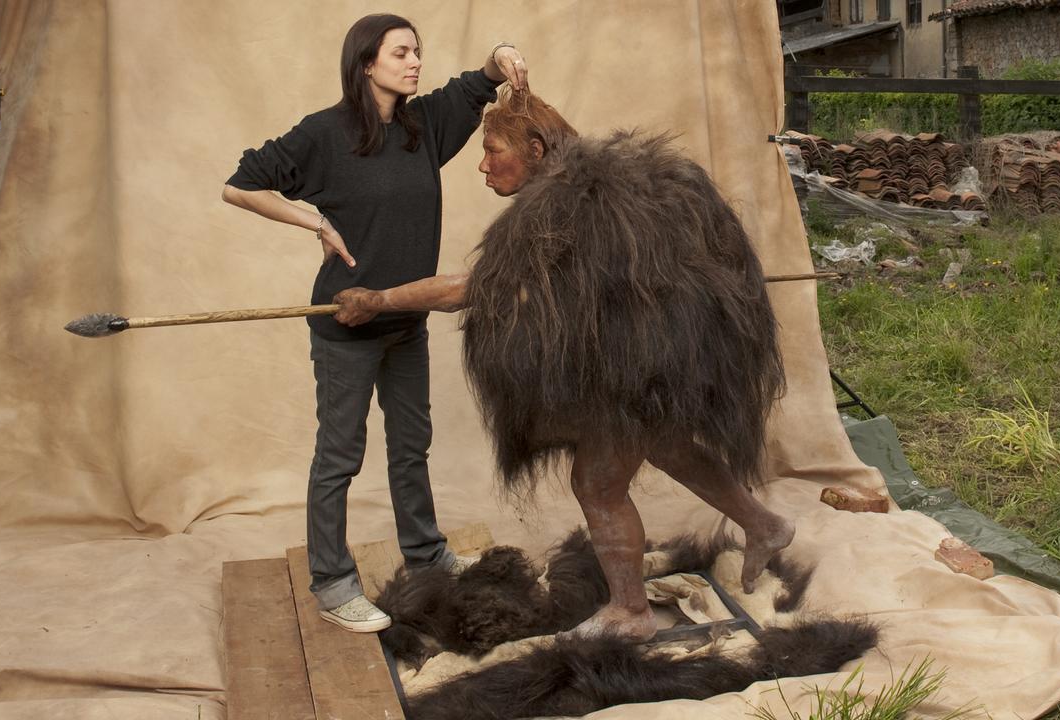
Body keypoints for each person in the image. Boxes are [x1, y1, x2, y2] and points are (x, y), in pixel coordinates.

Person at [333, 91, 794, 642]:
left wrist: (380, 300)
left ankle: (631, 613)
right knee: (667, 442)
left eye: (493, 149)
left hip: (646, 365)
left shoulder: (568, 204)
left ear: (533, 148)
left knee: (597, 485)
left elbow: (469, 290)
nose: (482, 164)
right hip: (652, 361)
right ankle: (765, 525)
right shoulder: (593, 188)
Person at [222, 14, 528, 633]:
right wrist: (315, 223)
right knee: (339, 456)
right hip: (345, 328)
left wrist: (502, 55)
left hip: (405, 321)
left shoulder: (425, 127)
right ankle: (333, 583)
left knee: (411, 446)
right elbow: (240, 185)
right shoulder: (324, 135)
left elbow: (477, 82)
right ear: (366, 63)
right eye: (401, 53)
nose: (414, 62)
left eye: (417, 52)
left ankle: (426, 554)